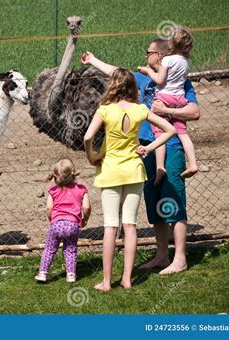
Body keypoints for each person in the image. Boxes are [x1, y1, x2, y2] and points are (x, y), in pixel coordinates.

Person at [81, 38, 200, 275]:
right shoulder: (143, 78)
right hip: (144, 149)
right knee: (155, 203)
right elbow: (118, 74)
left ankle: (180, 257)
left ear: (160, 56)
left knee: (173, 200)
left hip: (171, 146)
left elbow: (194, 111)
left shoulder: (178, 82)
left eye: (149, 52)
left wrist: (166, 111)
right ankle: (161, 254)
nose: (146, 56)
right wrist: (93, 60)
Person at [83, 68, 176, 292]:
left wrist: (92, 156)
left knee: (110, 226)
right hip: (134, 170)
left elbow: (87, 136)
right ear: (132, 86)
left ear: (113, 85)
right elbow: (169, 129)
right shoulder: (140, 109)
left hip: (111, 171)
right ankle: (127, 279)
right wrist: (149, 148)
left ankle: (106, 282)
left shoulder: (105, 110)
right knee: (130, 225)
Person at [138, 26, 197, 185]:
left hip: (165, 97)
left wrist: (148, 72)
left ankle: (160, 167)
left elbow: (160, 80)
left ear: (172, 44)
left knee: (160, 132)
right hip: (179, 99)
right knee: (183, 134)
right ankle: (192, 164)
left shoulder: (168, 60)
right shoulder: (185, 62)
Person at [35, 158, 91, 283]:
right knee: (70, 249)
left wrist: (52, 219)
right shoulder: (82, 189)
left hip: (56, 224)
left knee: (49, 249)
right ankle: (71, 275)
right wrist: (84, 219)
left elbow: (49, 208)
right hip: (73, 225)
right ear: (73, 173)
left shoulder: (53, 190)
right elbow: (86, 207)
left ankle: (43, 273)